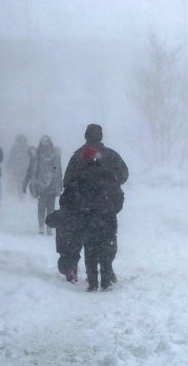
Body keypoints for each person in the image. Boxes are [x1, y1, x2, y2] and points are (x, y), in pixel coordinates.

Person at [62, 124, 128, 291]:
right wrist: (112, 195)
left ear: (86, 136)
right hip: (107, 209)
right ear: (101, 136)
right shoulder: (111, 156)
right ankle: (107, 274)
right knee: (108, 243)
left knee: (90, 246)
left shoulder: (77, 156)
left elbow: (67, 182)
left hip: (86, 210)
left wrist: (78, 199)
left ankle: (93, 281)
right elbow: (124, 174)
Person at [22, 135, 63, 235]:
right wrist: (25, 183)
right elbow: (30, 171)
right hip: (40, 186)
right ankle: (41, 226)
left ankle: (49, 227)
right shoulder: (36, 157)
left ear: (50, 146)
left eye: (47, 146)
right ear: (40, 146)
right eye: (43, 146)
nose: (45, 148)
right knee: (41, 207)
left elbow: (58, 172)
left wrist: (60, 185)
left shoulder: (55, 157)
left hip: (52, 186)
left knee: (51, 209)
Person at [6, 134, 30, 199]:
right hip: (17, 170)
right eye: (20, 140)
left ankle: (27, 197)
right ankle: (21, 197)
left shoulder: (28, 148)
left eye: (23, 140)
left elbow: (33, 159)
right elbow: (10, 158)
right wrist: (8, 167)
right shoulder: (14, 149)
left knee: (26, 183)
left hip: (26, 170)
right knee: (19, 184)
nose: (21, 142)